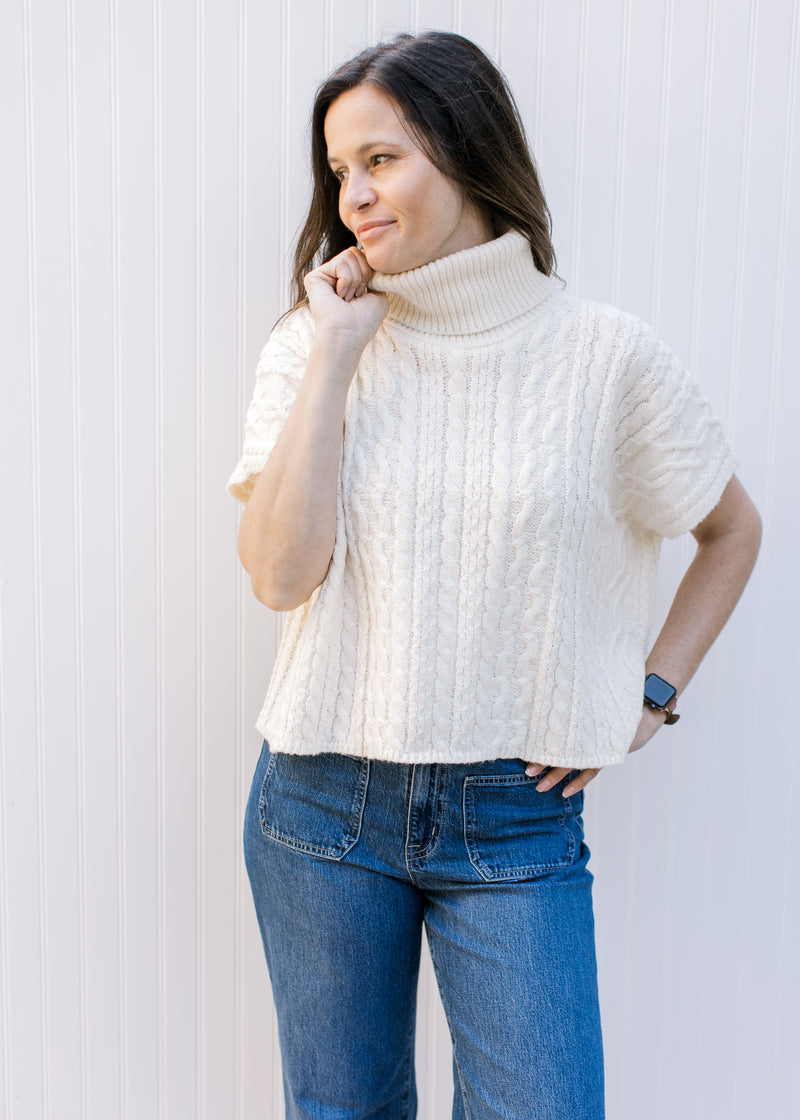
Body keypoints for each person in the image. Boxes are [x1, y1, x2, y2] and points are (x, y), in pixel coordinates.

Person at [228, 30, 761, 1120]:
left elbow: (729, 530)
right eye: (338, 172)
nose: (353, 196)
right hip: (319, 802)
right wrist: (335, 351)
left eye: (381, 159)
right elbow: (279, 578)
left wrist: (650, 693)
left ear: (464, 150)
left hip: (513, 814)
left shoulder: (604, 357)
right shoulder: (310, 343)